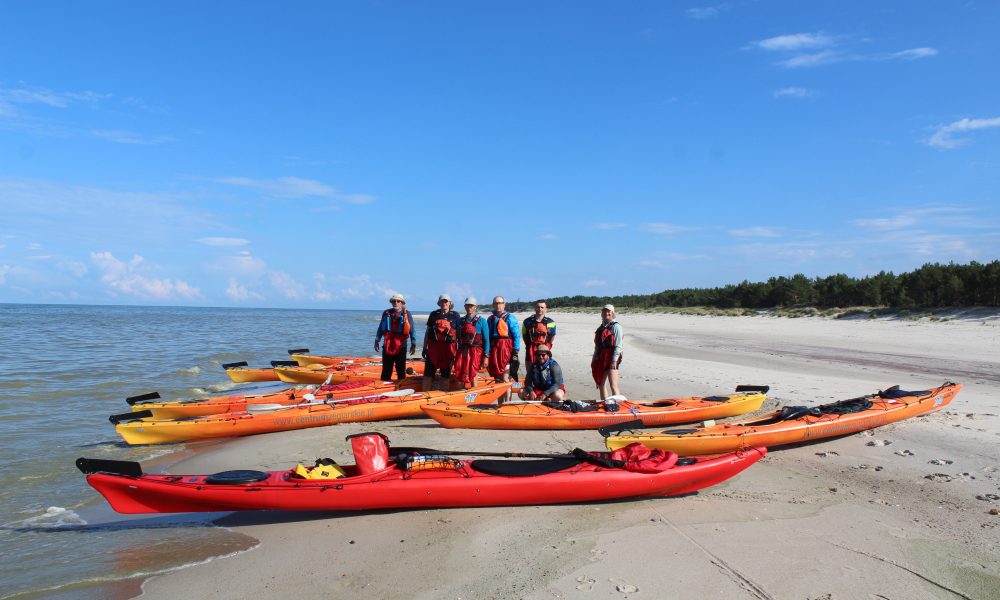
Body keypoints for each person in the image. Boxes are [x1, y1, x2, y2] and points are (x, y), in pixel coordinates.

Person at [422, 294, 461, 391]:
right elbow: (428, 332)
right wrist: (424, 347)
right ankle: (425, 394)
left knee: (445, 375)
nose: (444, 303)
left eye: (446, 301)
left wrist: (459, 350)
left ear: (450, 303)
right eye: (442, 301)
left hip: (448, 349)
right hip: (433, 348)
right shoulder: (433, 314)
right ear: (439, 303)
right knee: (428, 375)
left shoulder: (455, 315)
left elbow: (459, 334)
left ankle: (443, 396)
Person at [486, 296, 521, 403]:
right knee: (497, 379)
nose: (498, 305)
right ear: (493, 305)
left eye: (500, 303)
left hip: (506, 350)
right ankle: (500, 404)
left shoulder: (510, 318)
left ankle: (507, 403)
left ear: (504, 305)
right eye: (496, 303)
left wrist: (515, 350)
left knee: (505, 378)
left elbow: (516, 335)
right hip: (494, 350)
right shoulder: (490, 319)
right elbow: (487, 336)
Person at [374, 293, 416, 381]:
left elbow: (412, 330)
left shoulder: (407, 314)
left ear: (402, 303)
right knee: (386, 369)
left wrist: (413, 343)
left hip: (401, 344)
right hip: (388, 344)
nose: (396, 303)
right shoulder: (386, 313)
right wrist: (377, 340)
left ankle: (401, 387)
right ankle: (384, 387)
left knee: (400, 369)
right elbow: (380, 327)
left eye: (398, 301)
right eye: (394, 301)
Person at [452, 297, 490, 389]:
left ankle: (475, 395)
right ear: (465, 307)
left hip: (476, 352)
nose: (469, 308)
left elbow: (486, 340)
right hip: (463, 351)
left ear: (475, 307)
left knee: (473, 374)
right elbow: (456, 338)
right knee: (460, 373)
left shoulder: (482, 321)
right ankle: (459, 394)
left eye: (471, 306)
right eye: (467, 306)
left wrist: (486, 356)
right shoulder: (461, 321)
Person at [592, 304, 623, 400]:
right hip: (602, 357)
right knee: (601, 384)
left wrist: (614, 360)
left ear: (613, 313)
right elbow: (597, 346)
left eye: (609, 311)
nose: (606, 313)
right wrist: (594, 359)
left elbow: (618, 346)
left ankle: (618, 407)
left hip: (612, 357)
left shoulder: (616, 327)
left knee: (613, 385)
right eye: (604, 311)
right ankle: (604, 404)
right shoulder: (601, 327)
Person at [521, 299, 557, 364]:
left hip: (544, 350)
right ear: (535, 308)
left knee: (544, 371)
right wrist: (528, 345)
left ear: (546, 309)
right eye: (538, 307)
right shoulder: (527, 321)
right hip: (530, 349)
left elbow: (552, 335)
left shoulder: (551, 322)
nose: (540, 309)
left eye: (542, 307)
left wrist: (548, 346)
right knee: (530, 371)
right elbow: (524, 335)